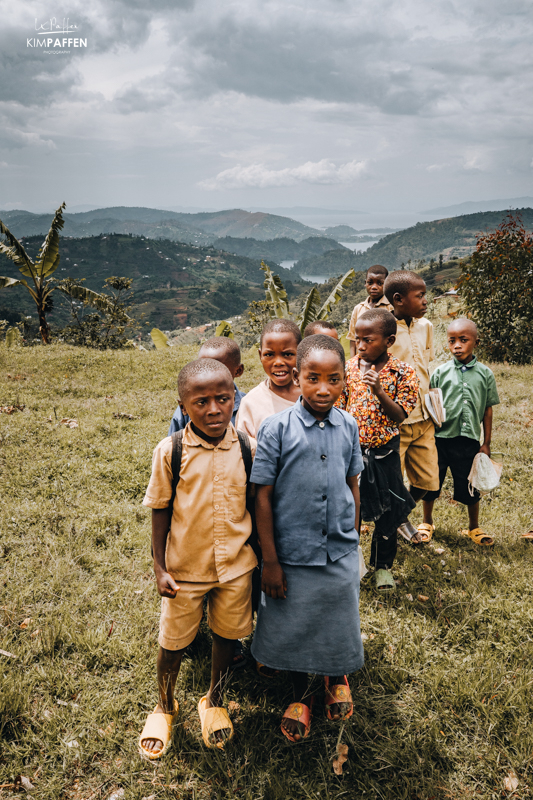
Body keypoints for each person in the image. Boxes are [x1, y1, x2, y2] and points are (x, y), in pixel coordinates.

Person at [139, 359, 257, 758]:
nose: (213, 409)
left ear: (234, 399)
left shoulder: (246, 447)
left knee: (227, 636)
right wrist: (159, 567)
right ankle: (165, 704)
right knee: (172, 643)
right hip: (184, 571)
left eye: (222, 399)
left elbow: (255, 509)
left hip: (236, 568)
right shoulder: (170, 450)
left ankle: (215, 699)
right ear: (182, 405)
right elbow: (159, 509)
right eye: (201, 401)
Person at [250, 335, 364, 741]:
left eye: (333, 379)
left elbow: (353, 484)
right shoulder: (276, 428)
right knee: (294, 623)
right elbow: (261, 494)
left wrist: (353, 533)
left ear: (344, 382)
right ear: (297, 377)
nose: (322, 388)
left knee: (337, 616)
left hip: (339, 549)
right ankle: (301, 694)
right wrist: (272, 560)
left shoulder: (348, 425)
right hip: (292, 552)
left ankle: (337, 676)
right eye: (312, 378)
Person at [336, 309, 419, 590]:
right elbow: (339, 408)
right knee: (351, 510)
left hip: (385, 453)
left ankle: (383, 567)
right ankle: (351, 564)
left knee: (388, 511)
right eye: (357, 339)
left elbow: (400, 415)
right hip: (351, 453)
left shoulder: (403, 372)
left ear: (389, 341)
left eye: (367, 340)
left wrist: (379, 391)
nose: (360, 346)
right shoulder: (348, 368)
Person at [421, 319, 500, 546]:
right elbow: (431, 405)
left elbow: (487, 410)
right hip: (439, 440)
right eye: (452, 341)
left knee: (470, 485)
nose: (457, 345)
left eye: (463, 340)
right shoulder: (439, 373)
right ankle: (427, 522)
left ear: (475, 341)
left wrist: (486, 443)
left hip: (468, 442)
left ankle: (473, 527)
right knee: (431, 483)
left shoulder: (486, 374)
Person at [384, 270, 440, 544]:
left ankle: (399, 515)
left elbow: (425, 365)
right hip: (397, 422)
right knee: (394, 480)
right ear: (399, 299)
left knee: (429, 481)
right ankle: (398, 519)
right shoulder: (384, 330)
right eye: (420, 296)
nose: (426, 301)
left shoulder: (426, 326)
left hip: (425, 418)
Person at [236, 319, 302, 439]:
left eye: (287, 354)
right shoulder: (251, 403)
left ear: (301, 354)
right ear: (260, 355)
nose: (278, 362)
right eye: (269, 355)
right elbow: (245, 450)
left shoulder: (314, 395)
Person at [168, 336, 245, 434]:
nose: (208, 372)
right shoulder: (188, 408)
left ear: (238, 371)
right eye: (202, 366)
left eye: (218, 367)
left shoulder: (249, 406)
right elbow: (174, 443)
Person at [347, 265, 393, 357]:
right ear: (365, 283)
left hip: (386, 362)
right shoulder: (358, 309)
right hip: (363, 362)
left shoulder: (391, 308)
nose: (374, 287)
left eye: (380, 283)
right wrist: (353, 363)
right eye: (370, 283)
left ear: (387, 284)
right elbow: (353, 339)